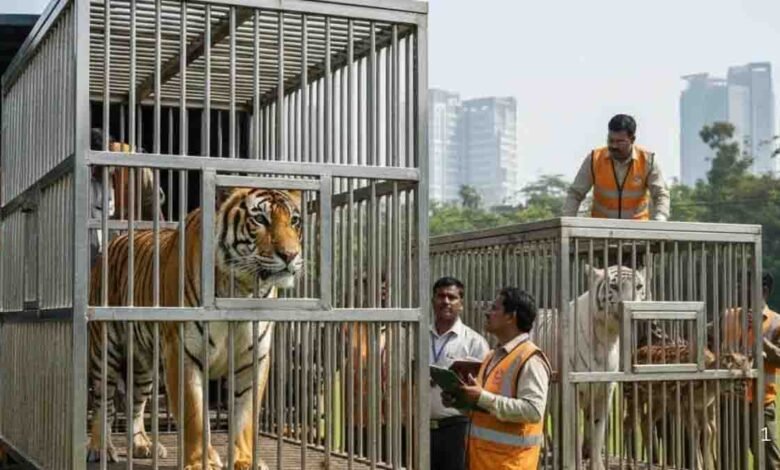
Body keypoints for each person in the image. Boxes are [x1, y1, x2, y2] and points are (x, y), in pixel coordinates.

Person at [445, 287, 551, 470]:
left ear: (511, 316)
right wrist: (461, 401)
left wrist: (481, 397)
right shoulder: (492, 356)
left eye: (494, 308)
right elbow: (485, 411)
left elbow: (533, 410)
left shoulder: (530, 359)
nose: (487, 313)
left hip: (511, 465)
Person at [429, 276, 490, 470]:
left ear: (461, 304)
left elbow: (483, 389)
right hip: (417, 427)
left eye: (452, 297)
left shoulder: (475, 342)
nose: (445, 301)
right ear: (432, 301)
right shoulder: (417, 335)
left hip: (457, 428)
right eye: (440, 296)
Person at [562, 114, 670, 221]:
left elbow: (660, 194)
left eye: (620, 142)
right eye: (611, 140)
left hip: (637, 230)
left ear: (632, 139)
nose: (614, 146)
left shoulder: (647, 161)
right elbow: (575, 193)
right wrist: (567, 223)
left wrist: (660, 219)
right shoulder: (594, 159)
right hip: (601, 229)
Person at [723, 272, 780, 469]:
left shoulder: (776, 322)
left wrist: (758, 333)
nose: (739, 290)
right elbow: (707, 341)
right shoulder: (728, 316)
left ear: (763, 291)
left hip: (761, 410)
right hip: (730, 407)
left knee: (766, 455)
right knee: (730, 460)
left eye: (745, 287)